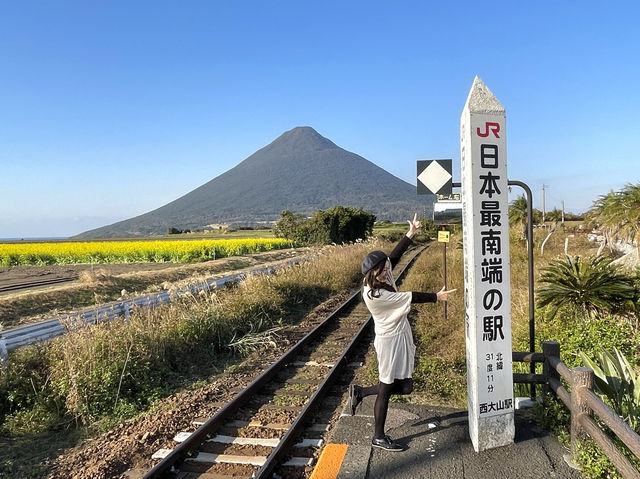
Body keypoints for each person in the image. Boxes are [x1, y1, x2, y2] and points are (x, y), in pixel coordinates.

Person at [348, 213, 456, 452]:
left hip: (400, 336)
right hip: (389, 342)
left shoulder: (380, 279)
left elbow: (394, 258)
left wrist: (411, 234)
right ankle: (378, 436)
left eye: (387, 269)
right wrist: (437, 297)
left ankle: (362, 392)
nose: (388, 271)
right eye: (383, 270)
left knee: (405, 387)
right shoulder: (376, 295)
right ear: (372, 273)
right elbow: (412, 297)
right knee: (386, 387)